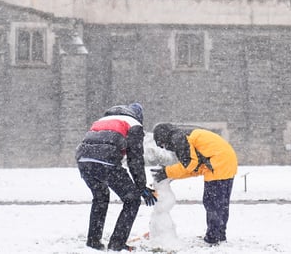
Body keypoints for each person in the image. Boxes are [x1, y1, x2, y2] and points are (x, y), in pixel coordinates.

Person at [75, 102, 157, 251]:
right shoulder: (134, 124)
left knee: (100, 197)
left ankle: (93, 241)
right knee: (132, 200)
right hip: (106, 161)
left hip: (83, 160)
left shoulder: (102, 120)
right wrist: (141, 187)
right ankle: (117, 244)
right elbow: (135, 159)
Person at [151, 123, 238, 246]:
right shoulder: (185, 136)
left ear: (164, 137)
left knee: (213, 203)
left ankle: (213, 238)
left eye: (163, 145)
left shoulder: (178, 138)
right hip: (225, 161)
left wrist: (167, 171)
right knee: (220, 204)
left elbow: (189, 164)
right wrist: (171, 175)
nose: (165, 148)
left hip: (218, 163)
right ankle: (219, 236)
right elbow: (194, 168)